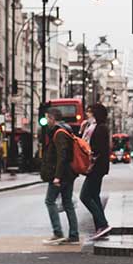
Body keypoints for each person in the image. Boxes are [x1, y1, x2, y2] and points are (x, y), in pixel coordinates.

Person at [41, 108, 80, 245]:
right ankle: (74, 235)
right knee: (67, 203)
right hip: (68, 173)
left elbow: (62, 156)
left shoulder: (59, 133)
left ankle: (58, 233)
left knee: (49, 201)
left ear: (52, 118)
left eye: (47, 119)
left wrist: (57, 176)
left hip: (61, 174)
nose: (46, 122)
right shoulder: (66, 130)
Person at [79, 103, 111, 240]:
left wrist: (91, 163)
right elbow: (82, 144)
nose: (87, 114)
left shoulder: (101, 129)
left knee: (85, 196)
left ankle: (103, 224)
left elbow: (96, 149)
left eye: (90, 112)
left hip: (96, 167)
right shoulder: (91, 128)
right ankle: (100, 227)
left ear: (96, 114)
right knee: (94, 196)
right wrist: (81, 130)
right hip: (95, 167)